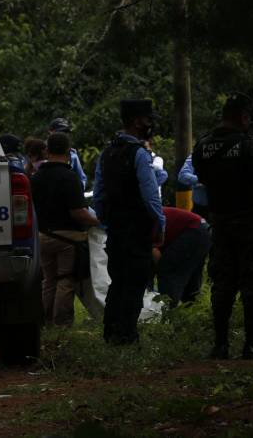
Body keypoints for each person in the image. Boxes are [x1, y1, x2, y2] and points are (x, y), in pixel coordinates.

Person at [192, 92, 253, 359]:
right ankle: (252, 343)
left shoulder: (203, 145)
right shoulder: (249, 145)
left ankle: (221, 344)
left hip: (220, 221)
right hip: (248, 220)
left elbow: (201, 175)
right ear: (244, 117)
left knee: (222, 282)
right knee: (251, 281)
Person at [93, 99, 165, 344]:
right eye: (147, 119)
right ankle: (127, 335)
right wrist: (160, 224)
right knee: (135, 282)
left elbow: (99, 194)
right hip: (137, 229)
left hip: (116, 229)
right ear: (137, 121)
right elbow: (150, 194)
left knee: (118, 281)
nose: (150, 124)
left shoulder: (107, 153)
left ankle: (110, 332)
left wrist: (107, 222)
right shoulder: (139, 154)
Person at [30, 133, 99, 326]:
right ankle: (61, 323)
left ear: (47, 150)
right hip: (67, 239)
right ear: (69, 151)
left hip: (42, 236)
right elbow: (78, 213)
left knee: (49, 280)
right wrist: (98, 221)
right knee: (65, 279)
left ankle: (44, 321)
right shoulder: (70, 177)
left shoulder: (36, 177)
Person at [154, 207, 210, 306]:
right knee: (191, 278)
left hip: (193, 231)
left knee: (168, 270)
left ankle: (168, 312)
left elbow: (155, 255)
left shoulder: (137, 223)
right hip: (203, 230)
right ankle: (191, 311)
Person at [49, 117, 87, 189]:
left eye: (66, 132)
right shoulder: (41, 153)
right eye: (60, 132)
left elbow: (82, 179)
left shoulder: (72, 156)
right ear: (50, 132)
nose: (63, 135)